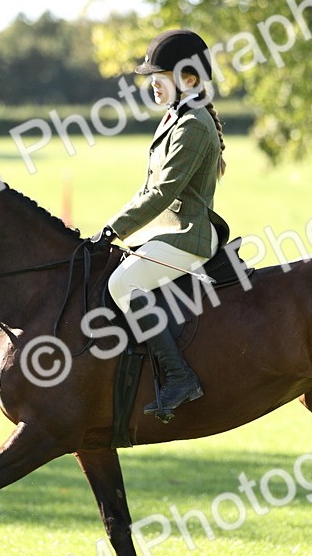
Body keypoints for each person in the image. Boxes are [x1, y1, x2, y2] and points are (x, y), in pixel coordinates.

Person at [88, 29, 227, 421]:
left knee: (123, 283)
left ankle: (181, 378)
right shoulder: (175, 117)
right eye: (150, 78)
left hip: (188, 236)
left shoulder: (193, 125)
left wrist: (113, 230)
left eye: (159, 77)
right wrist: (110, 228)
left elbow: (163, 193)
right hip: (165, 232)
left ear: (189, 79)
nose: (152, 86)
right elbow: (145, 189)